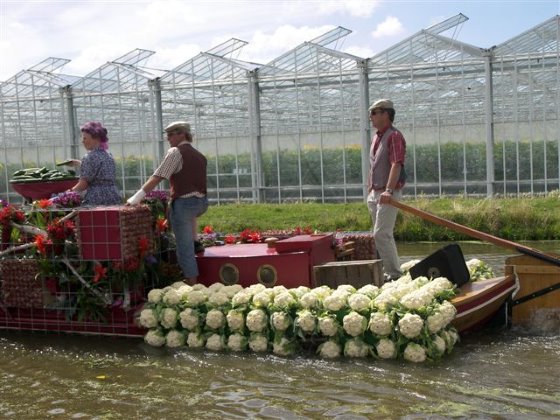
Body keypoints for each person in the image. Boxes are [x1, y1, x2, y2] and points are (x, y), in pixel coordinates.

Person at [127, 121, 208, 285]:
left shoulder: (175, 152)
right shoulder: (199, 155)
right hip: (201, 203)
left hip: (184, 204)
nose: (168, 138)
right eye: (167, 135)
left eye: (171, 134)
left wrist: (136, 198)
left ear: (182, 134)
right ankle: (195, 241)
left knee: (184, 250)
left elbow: (158, 176)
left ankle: (192, 286)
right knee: (189, 231)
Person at [366, 99, 407, 281]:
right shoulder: (377, 137)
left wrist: (389, 191)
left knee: (381, 233)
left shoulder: (394, 136)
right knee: (383, 235)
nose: (371, 117)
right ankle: (391, 271)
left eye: (374, 112)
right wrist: (370, 188)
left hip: (387, 193)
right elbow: (374, 165)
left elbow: (396, 164)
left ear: (386, 114)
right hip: (375, 193)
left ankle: (394, 274)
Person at [68, 121, 122, 205]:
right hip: (113, 196)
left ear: (95, 138)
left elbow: (84, 183)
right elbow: (98, 170)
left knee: (95, 218)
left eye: (85, 138)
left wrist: (68, 193)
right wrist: (79, 163)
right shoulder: (108, 155)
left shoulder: (90, 156)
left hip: (97, 198)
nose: (82, 141)